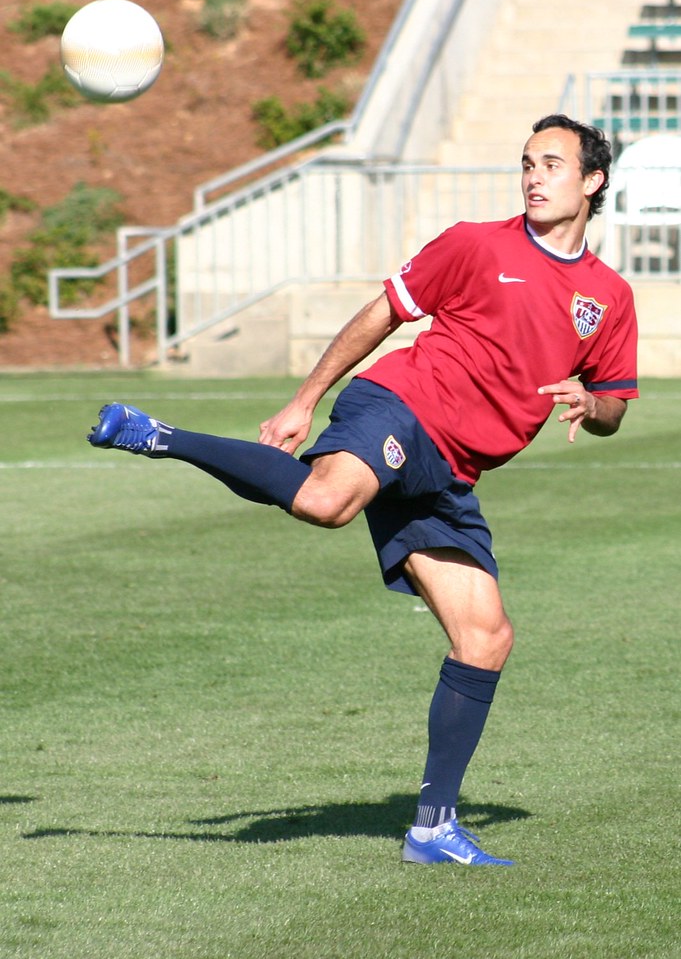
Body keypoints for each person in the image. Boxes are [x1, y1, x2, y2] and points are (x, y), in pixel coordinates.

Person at [87, 114, 638, 866]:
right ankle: (159, 435)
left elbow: (611, 404)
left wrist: (588, 402)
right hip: (401, 405)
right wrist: (305, 398)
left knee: (485, 637)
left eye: (550, 164)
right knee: (324, 500)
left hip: (450, 472)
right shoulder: (476, 243)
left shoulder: (607, 296)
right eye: (525, 163)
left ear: (591, 181)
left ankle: (432, 827)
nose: (533, 176)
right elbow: (385, 311)